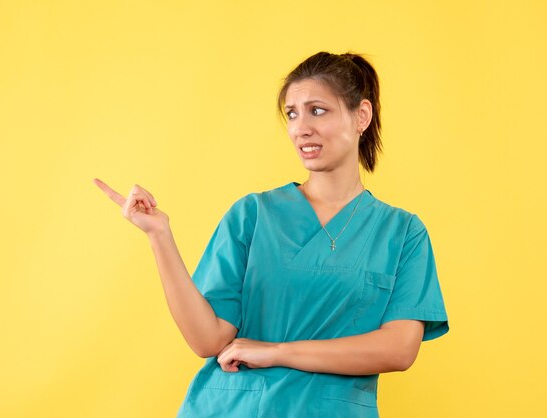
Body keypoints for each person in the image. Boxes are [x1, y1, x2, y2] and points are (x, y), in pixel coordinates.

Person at [93, 51, 449, 417]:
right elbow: (208, 340)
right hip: (234, 407)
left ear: (361, 115)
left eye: (317, 110)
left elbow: (399, 349)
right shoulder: (253, 215)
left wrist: (277, 352)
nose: (300, 127)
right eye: (292, 114)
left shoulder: (402, 233)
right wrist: (159, 236)